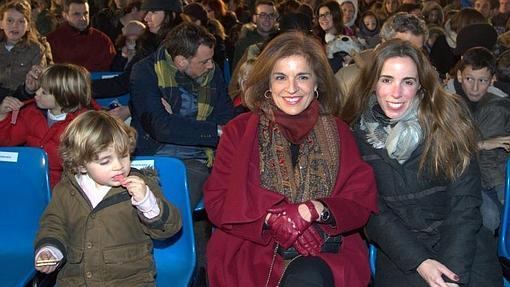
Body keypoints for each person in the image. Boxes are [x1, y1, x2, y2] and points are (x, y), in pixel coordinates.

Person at [205, 31, 377, 287]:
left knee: (309, 276)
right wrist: (274, 218)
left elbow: (359, 201)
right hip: (253, 246)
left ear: (317, 83)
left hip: (325, 245)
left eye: (303, 77)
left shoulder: (339, 131)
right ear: (268, 84)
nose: (292, 88)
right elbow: (217, 201)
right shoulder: (238, 131)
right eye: (281, 77)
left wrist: (315, 210)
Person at [342, 39, 502, 287]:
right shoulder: (357, 136)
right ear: (373, 83)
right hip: (404, 253)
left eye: (407, 82)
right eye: (386, 80)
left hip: (461, 245)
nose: (396, 93)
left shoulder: (449, 123)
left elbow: (465, 204)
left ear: (420, 85)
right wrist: (422, 262)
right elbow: (375, 215)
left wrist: (452, 275)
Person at [34, 110, 182, 286]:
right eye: (105, 161)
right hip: (76, 280)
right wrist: (51, 250)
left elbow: (169, 229)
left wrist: (146, 203)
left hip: (130, 280)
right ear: (81, 164)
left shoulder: (142, 185)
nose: (119, 166)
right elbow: (53, 224)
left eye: (124, 155)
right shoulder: (67, 189)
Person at [129, 22, 234, 208]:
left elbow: (227, 118)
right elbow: (160, 127)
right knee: (131, 206)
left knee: (174, 208)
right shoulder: (145, 71)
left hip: (195, 159)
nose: (211, 65)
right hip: (152, 156)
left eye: (211, 59)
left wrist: (174, 121)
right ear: (180, 61)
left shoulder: (213, 73)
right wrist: (213, 130)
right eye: (204, 61)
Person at [0, 63, 97, 188]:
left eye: (44, 92)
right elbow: (6, 141)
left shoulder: (81, 126)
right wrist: (2, 115)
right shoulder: (31, 114)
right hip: (28, 179)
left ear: (64, 98)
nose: (37, 93)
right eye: (39, 87)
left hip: (63, 189)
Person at [447, 47, 510, 231]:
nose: (475, 88)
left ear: (492, 80)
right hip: (459, 179)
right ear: (459, 76)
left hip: (494, 175)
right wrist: (482, 144)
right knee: (489, 216)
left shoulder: (499, 104)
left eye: (482, 81)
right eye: (469, 79)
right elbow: (444, 148)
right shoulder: (446, 103)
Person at [47, 0, 116, 71]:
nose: (83, 18)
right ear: (65, 15)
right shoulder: (53, 40)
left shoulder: (102, 40)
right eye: (76, 14)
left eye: (86, 13)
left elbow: (113, 69)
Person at [0, 0, 50, 92]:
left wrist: (30, 87)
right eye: (9, 20)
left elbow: (40, 86)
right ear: (1, 24)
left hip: (24, 99)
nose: (15, 25)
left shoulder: (36, 50)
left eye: (21, 21)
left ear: (28, 26)